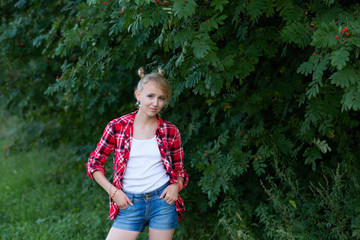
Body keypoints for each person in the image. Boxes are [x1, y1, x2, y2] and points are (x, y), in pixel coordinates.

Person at [86, 67, 188, 240]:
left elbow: (179, 170)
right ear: (138, 95)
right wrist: (113, 192)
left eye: (161, 98)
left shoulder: (170, 131)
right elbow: (94, 164)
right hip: (129, 203)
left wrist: (175, 187)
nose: (155, 103)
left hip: (162, 202)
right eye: (150, 96)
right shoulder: (117, 127)